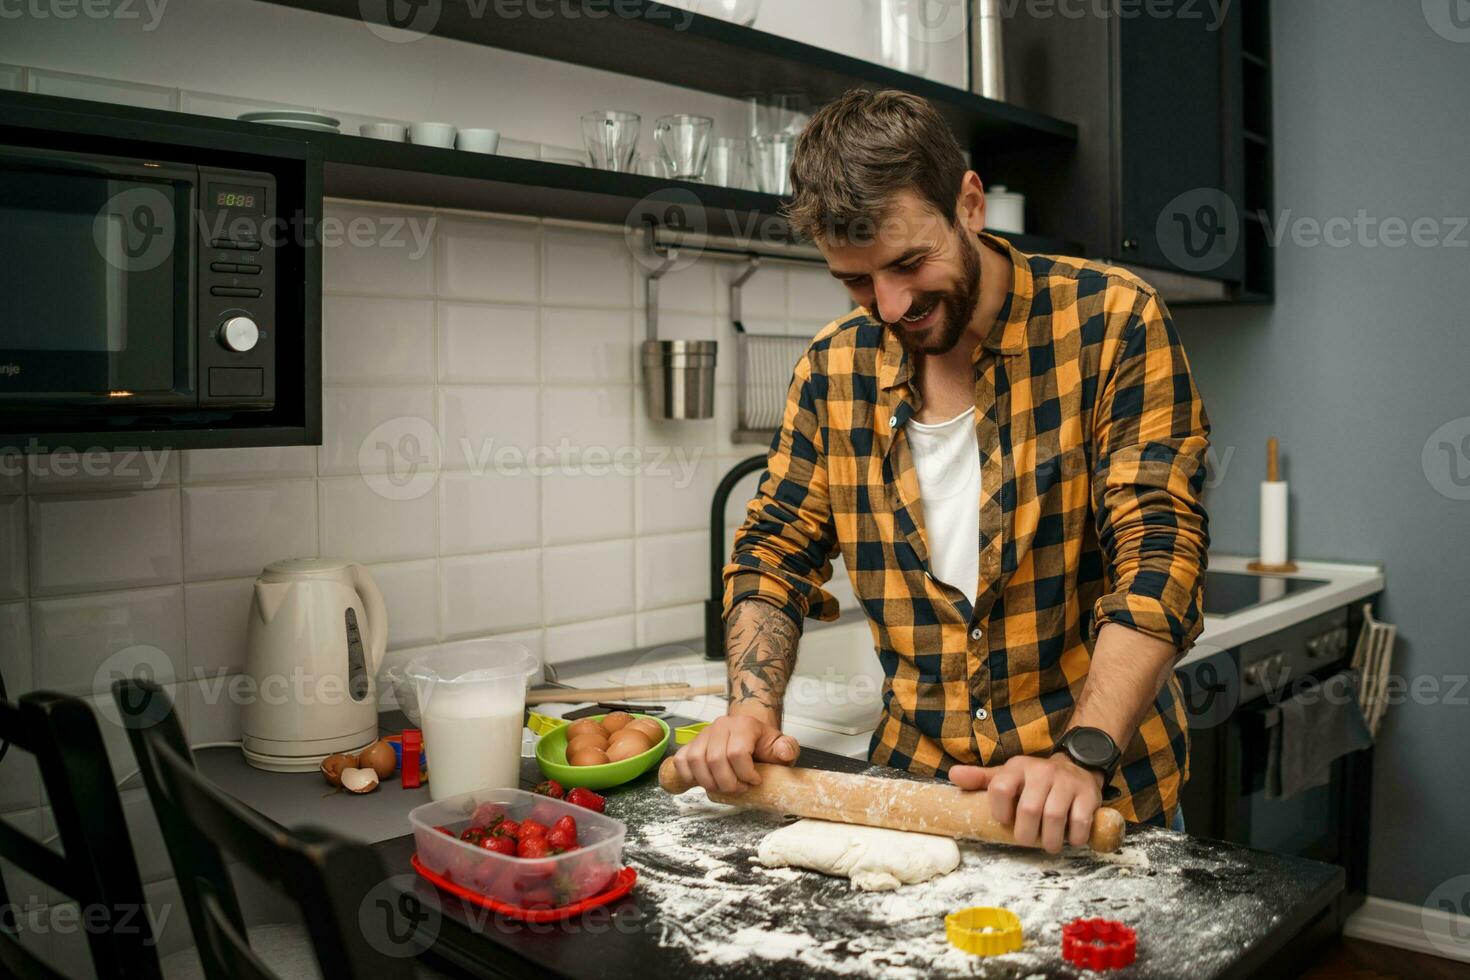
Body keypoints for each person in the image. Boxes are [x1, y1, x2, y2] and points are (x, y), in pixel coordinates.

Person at [671, 89, 1209, 849]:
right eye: (856, 282)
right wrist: (751, 712)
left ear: (969, 203)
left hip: (1099, 798)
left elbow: (1161, 555)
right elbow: (773, 554)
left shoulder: (1113, 322)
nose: (888, 306)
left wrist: (1081, 755)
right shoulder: (833, 370)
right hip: (913, 803)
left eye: (908, 263)